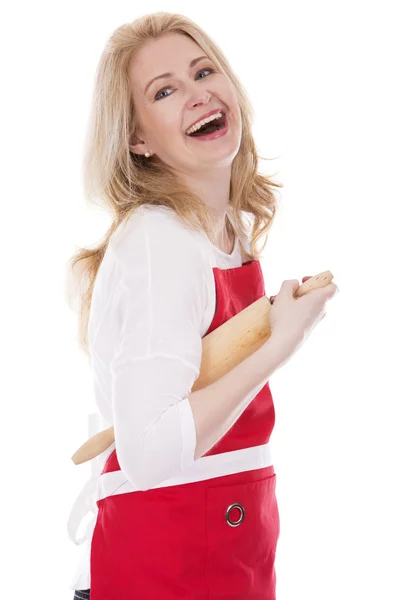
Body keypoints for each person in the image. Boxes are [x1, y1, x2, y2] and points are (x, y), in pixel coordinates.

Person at [66, 12, 338, 600]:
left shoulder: (224, 233)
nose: (198, 95)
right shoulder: (156, 244)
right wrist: (280, 345)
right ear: (137, 140)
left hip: (229, 561)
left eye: (204, 71)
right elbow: (148, 454)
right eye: (164, 91)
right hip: (160, 574)